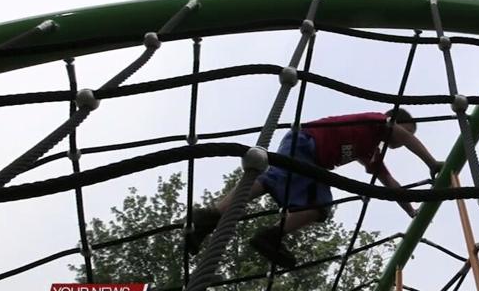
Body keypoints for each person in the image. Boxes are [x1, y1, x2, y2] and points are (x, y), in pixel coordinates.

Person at [186, 108, 443, 268]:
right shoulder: (375, 120)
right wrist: (432, 163)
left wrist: (411, 211)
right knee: (273, 179)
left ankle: (270, 236)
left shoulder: (370, 151)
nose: (403, 139)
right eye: (404, 130)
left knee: (320, 207)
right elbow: (407, 138)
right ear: (392, 121)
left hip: (316, 165)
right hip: (306, 141)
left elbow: (390, 183)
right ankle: (209, 216)